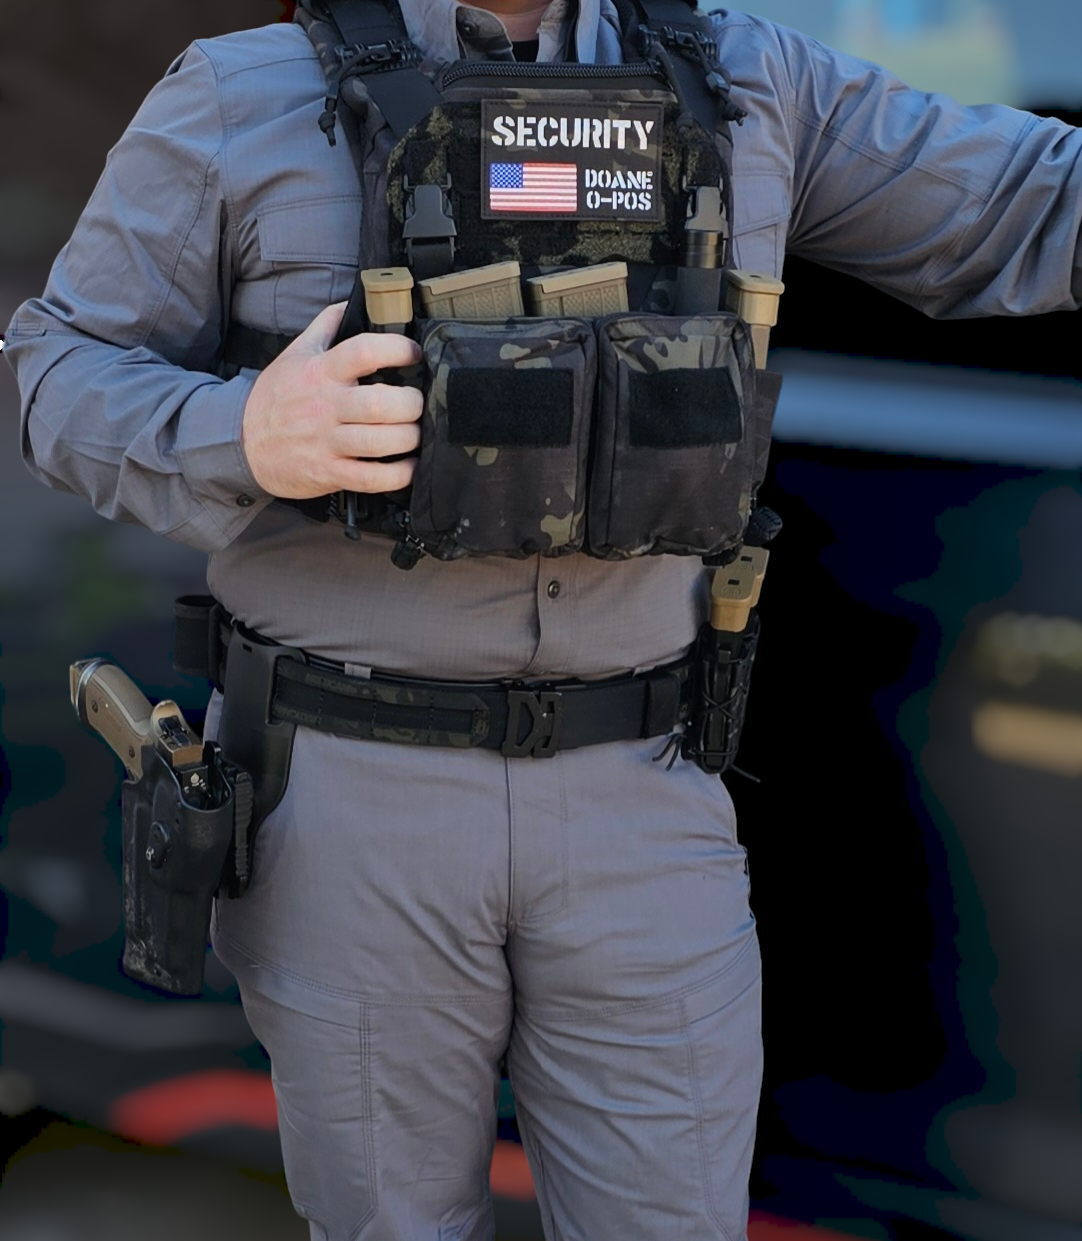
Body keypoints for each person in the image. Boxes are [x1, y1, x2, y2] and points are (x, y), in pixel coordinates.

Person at [4, 2, 1081, 1238]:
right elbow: (55, 372)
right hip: (353, 800)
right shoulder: (241, 95)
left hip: (644, 796)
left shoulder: (747, 78)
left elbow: (1034, 204)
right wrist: (243, 432)